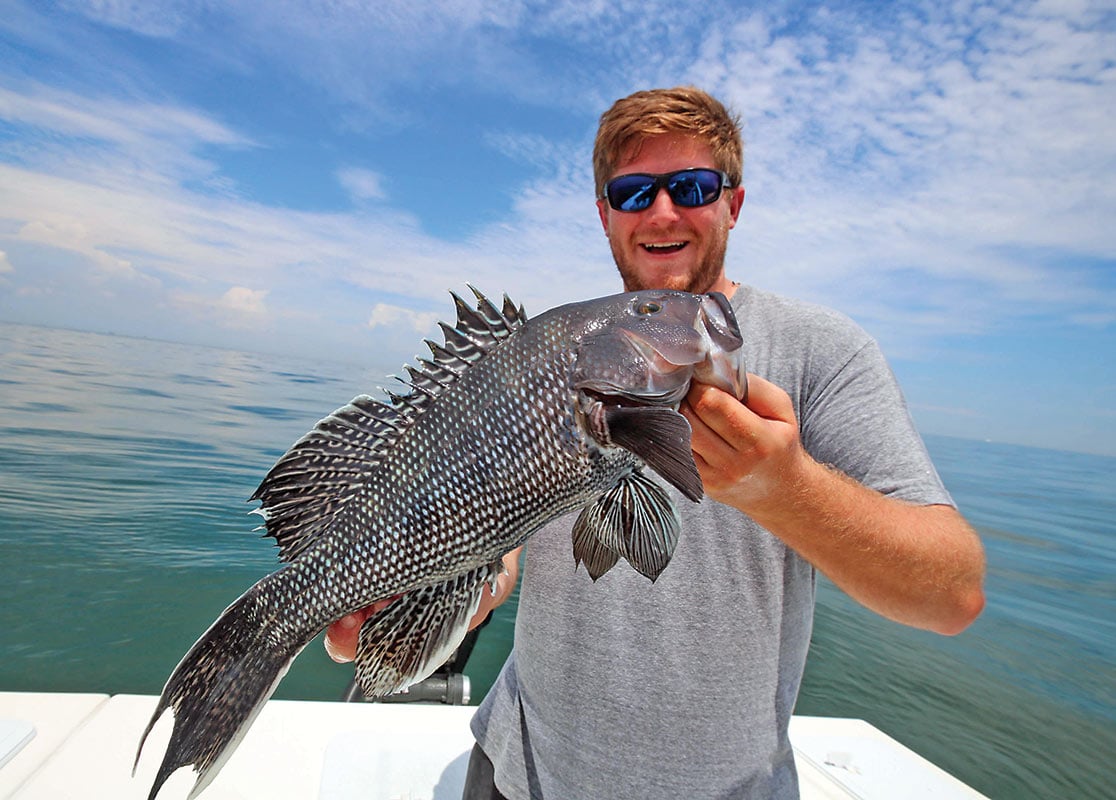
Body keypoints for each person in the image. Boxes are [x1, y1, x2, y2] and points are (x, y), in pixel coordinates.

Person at [325, 86, 986, 799]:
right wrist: (432, 599)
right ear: (605, 214)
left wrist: (786, 489)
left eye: (693, 187)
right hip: (517, 775)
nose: (663, 211)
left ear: (733, 203)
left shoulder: (823, 352)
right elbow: (503, 548)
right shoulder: (554, 351)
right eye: (634, 192)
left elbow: (952, 594)